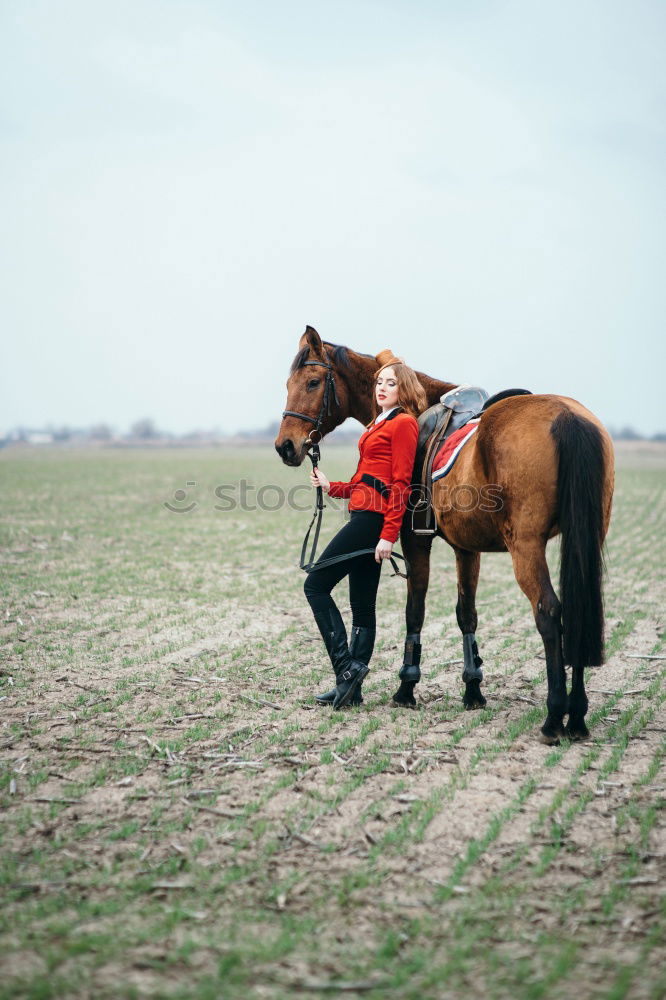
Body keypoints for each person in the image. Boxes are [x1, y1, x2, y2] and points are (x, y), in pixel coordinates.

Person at [304, 356, 426, 709]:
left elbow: (400, 482)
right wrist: (333, 486)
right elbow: (366, 478)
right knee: (361, 605)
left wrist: (389, 534)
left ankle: (346, 671)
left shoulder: (403, 424)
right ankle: (352, 690)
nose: (382, 388)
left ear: (403, 388)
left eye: (390, 382)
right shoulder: (377, 423)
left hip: (374, 521)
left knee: (315, 584)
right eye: (379, 383)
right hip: (365, 512)